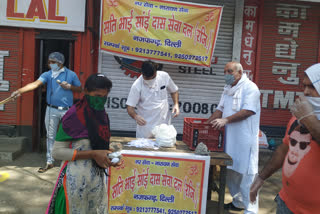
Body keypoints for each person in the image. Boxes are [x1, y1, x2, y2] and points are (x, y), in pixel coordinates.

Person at [250, 63, 320, 214]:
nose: (306, 92)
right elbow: (284, 148)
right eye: (304, 86)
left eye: (312, 87)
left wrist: (310, 120)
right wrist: (261, 177)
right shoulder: (301, 114)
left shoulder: (305, 115)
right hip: (286, 203)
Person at [47, 73, 118, 213]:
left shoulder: (101, 115)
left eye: (104, 97)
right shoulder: (73, 116)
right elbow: (57, 152)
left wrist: (108, 154)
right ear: (86, 92)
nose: (101, 100)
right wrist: (93, 153)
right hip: (75, 178)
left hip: (96, 178)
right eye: (97, 96)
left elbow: (97, 144)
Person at [10, 52, 82, 173]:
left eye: (52, 62)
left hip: (67, 110)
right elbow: (35, 84)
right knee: (50, 136)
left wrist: (69, 87)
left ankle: (69, 161)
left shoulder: (71, 74)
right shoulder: (47, 75)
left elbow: (80, 89)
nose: (50, 64)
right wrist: (19, 91)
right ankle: (50, 161)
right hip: (51, 109)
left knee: (69, 135)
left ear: (60, 63)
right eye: (49, 62)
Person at [207, 61, 261, 213]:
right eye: (225, 72)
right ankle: (238, 203)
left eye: (229, 72)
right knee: (231, 172)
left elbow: (248, 111)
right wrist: (206, 124)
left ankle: (251, 210)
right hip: (229, 140)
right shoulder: (227, 88)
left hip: (245, 140)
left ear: (239, 72)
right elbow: (220, 109)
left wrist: (226, 120)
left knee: (246, 175)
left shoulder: (251, 88)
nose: (226, 75)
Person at [126, 61, 180, 138]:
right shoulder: (137, 85)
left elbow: (174, 91)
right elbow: (130, 107)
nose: (150, 80)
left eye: (153, 77)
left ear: (156, 72)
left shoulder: (164, 76)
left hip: (163, 125)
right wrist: (135, 116)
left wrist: (176, 104)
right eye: (147, 78)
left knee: (164, 147)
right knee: (144, 148)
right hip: (146, 127)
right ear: (142, 73)